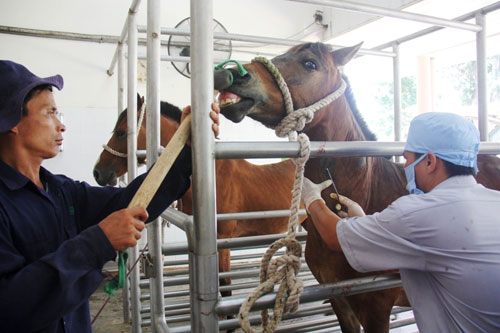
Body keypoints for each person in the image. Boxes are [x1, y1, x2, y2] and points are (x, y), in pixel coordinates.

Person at [0, 60, 220, 332]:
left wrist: (184, 148)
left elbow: (130, 200)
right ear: (12, 121)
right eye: (49, 113)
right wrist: (97, 243)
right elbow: (8, 306)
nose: (61, 126)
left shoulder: (60, 190)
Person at [301, 112, 500, 332]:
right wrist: (362, 221)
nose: (405, 166)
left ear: (430, 161)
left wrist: (311, 198)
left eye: (407, 159)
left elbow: (333, 235)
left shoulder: (418, 213)